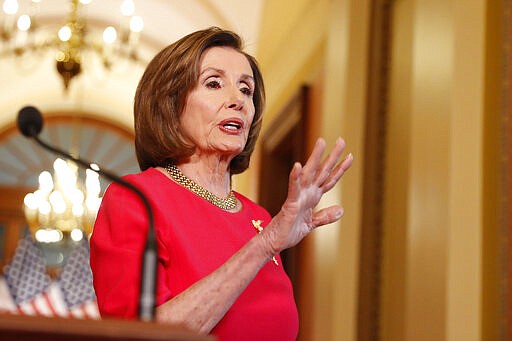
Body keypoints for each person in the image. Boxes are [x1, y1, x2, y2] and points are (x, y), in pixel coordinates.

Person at [90, 26, 353, 340]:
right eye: (214, 83)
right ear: (171, 105)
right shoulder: (136, 199)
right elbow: (138, 334)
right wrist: (264, 246)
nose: (237, 100)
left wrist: (267, 238)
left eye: (246, 89)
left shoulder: (259, 219)